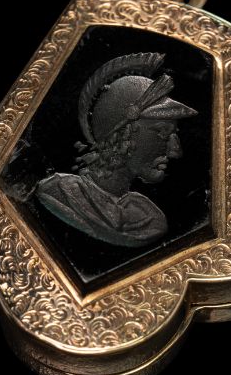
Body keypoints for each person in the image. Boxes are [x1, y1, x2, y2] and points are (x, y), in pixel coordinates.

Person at [37, 53, 196, 247]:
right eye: (162, 133)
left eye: (174, 135)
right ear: (122, 134)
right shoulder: (58, 192)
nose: (175, 151)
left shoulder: (148, 219)